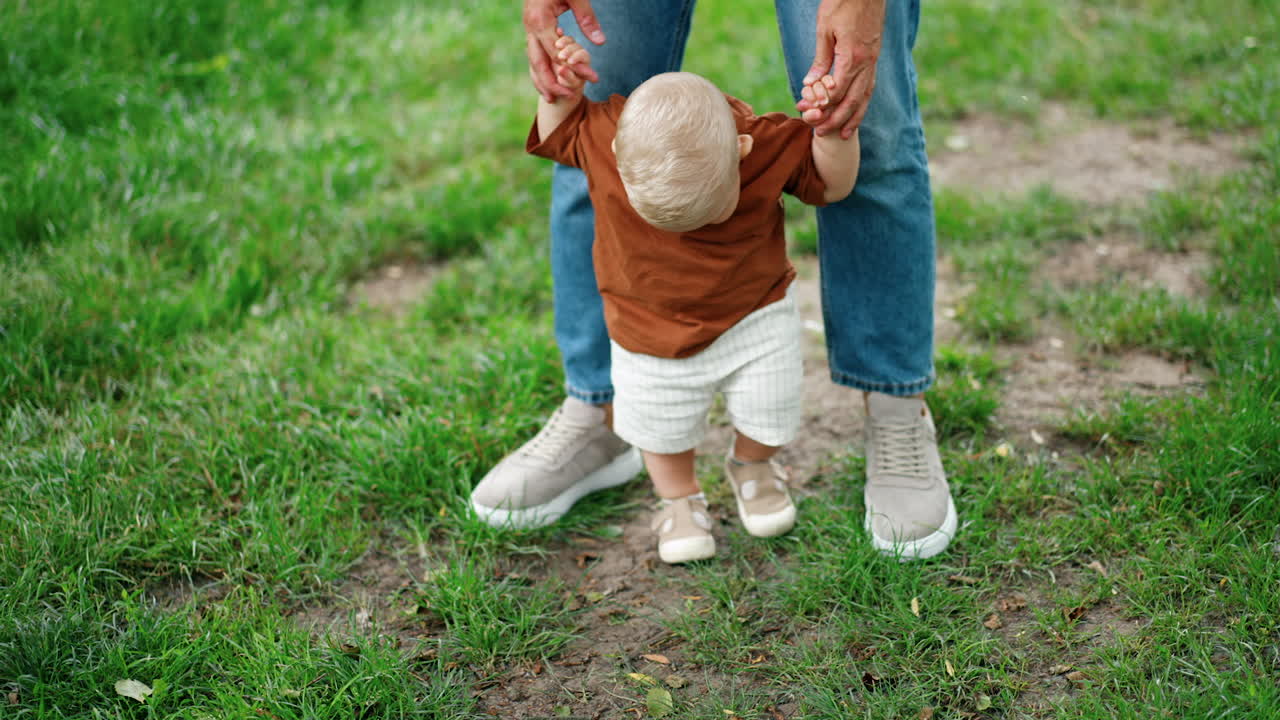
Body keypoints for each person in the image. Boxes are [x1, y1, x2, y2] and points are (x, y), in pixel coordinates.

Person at [471, 0, 958, 561]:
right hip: (644, 326)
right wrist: (558, 91)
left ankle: (891, 407)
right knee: (605, 109)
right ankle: (602, 413)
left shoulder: (765, 147)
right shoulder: (602, 138)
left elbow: (832, 180)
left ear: (742, 149)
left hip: (753, 314)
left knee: (865, 117)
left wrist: (831, 133)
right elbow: (566, 139)